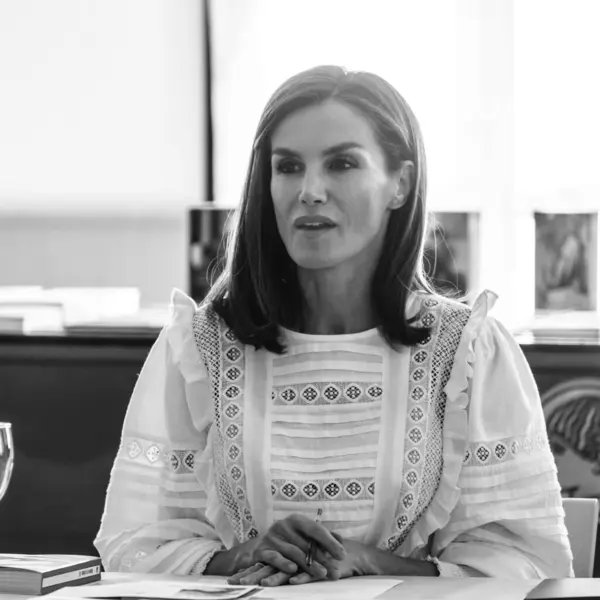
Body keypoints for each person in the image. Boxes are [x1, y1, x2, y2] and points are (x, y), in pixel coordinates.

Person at [94, 65, 573, 584]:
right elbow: (135, 546)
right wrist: (245, 555)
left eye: (342, 163)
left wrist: (368, 561)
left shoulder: (468, 352)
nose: (310, 190)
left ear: (400, 184)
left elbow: (526, 567)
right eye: (289, 166)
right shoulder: (198, 346)